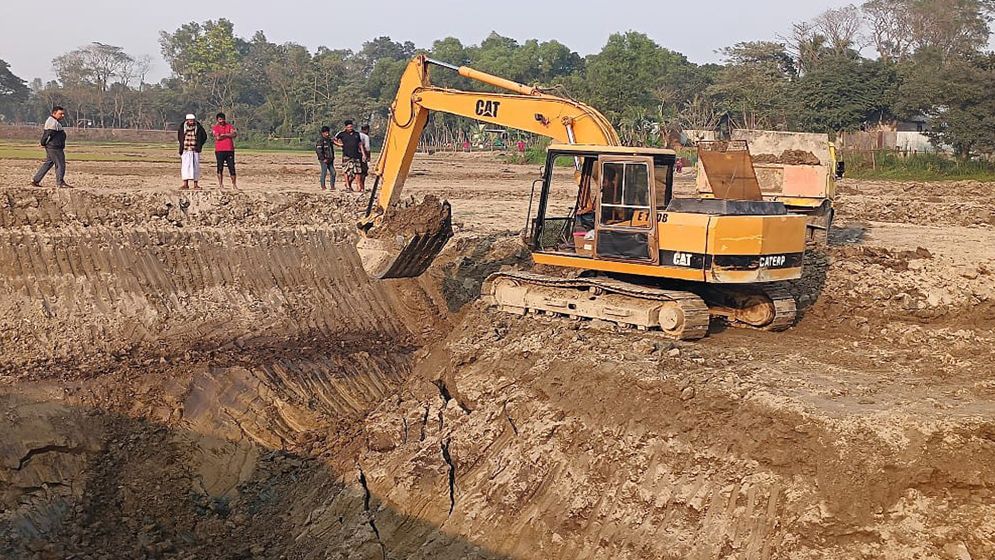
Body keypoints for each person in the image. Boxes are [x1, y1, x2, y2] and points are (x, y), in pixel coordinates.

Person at [31, 106, 72, 188]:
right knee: (60, 164)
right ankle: (60, 182)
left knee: (49, 163)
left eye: (63, 114)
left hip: (53, 147)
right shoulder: (52, 123)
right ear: (54, 113)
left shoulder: (53, 121)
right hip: (55, 147)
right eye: (60, 114)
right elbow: (48, 135)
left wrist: (44, 143)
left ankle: (36, 180)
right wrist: (42, 143)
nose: (63, 116)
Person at [177, 113, 208, 190]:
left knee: (196, 167)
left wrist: (199, 145)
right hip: (185, 150)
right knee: (185, 167)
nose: (191, 122)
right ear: (187, 120)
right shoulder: (182, 127)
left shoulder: (199, 127)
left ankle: (196, 184)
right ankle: (185, 184)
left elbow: (204, 136)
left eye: (193, 120)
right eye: (190, 120)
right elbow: (180, 137)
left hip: (195, 150)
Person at [333, 120, 364, 192]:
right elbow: (334, 140)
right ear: (346, 127)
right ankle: (347, 185)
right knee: (346, 170)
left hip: (356, 155)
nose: (350, 128)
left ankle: (358, 186)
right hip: (346, 155)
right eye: (349, 127)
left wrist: (363, 154)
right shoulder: (342, 134)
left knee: (358, 171)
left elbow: (360, 144)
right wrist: (339, 145)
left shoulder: (356, 134)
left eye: (351, 126)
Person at [212, 112, 238, 189]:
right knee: (220, 167)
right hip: (219, 150)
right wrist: (228, 135)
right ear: (217, 120)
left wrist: (224, 135)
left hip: (229, 149)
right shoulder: (215, 128)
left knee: (231, 167)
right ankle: (221, 184)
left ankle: (234, 184)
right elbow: (218, 137)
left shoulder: (229, 126)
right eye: (220, 119)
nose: (221, 121)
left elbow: (234, 134)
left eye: (222, 119)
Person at [315, 126, 336, 190]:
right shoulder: (320, 141)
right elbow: (319, 151)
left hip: (330, 159)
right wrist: (323, 159)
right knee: (324, 172)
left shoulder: (329, 140)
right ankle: (323, 186)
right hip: (324, 160)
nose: (327, 134)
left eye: (328, 132)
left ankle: (332, 186)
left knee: (333, 173)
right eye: (326, 133)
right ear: (322, 133)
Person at [358, 124, 372, 191]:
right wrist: (368, 158)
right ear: (367, 130)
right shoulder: (366, 137)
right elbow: (367, 148)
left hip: (356, 155)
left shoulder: (357, 135)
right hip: (363, 156)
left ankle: (348, 184)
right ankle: (362, 186)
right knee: (363, 172)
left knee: (357, 172)